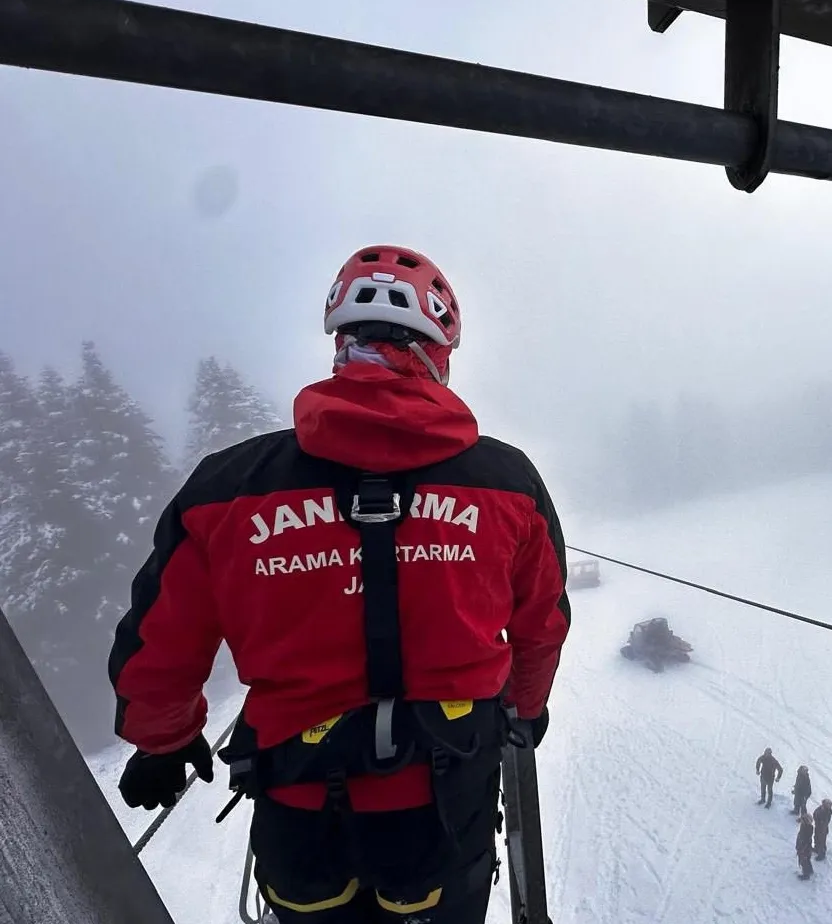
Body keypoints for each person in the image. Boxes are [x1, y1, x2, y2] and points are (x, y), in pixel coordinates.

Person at [108, 245, 570, 924]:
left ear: (341, 345)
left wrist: (163, 739)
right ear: (439, 354)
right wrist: (525, 710)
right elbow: (542, 625)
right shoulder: (507, 484)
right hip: (442, 807)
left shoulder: (227, 490)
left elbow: (160, 642)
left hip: (299, 809)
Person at [796, 810, 815, 880]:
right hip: (804, 847)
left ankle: (806, 875)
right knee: (807, 860)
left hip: (804, 848)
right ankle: (810, 870)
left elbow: (805, 840)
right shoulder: (804, 826)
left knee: (804, 861)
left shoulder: (808, 828)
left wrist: (802, 848)